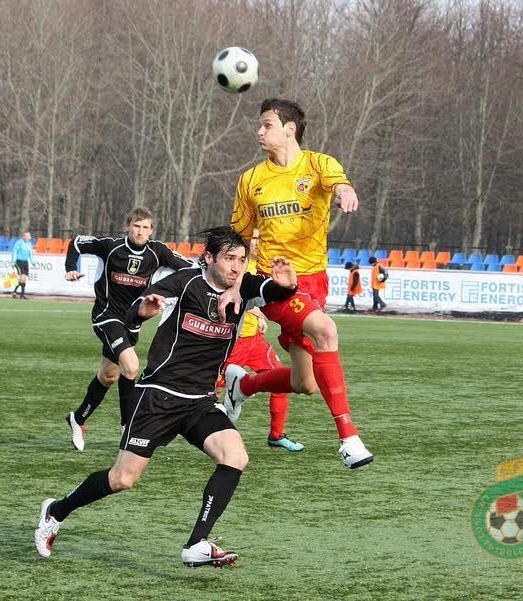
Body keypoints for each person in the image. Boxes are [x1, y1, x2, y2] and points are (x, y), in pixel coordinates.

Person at [35, 226, 299, 566]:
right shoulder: (185, 282)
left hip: (200, 401)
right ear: (209, 258)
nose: (236, 266)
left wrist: (288, 282)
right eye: (229, 258)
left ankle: (197, 544)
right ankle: (56, 511)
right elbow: (136, 310)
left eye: (241, 259)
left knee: (235, 456)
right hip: (159, 395)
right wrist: (144, 311)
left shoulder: (244, 288)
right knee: (122, 479)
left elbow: (277, 292)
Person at [223, 98, 373, 469]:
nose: (259, 131)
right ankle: (349, 438)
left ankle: (241, 386)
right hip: (275, 282)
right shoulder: (251, 180)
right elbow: (239, 239)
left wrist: (344, 192)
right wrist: (233, 284)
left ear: (290, 129)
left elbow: (337, 183)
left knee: (305, 382)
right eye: (259, 125)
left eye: (267, 124)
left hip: (315, 282)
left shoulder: (319, 164)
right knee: (326, 330)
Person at [63, 207, 192, 451]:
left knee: (109, 376)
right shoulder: (111, 246)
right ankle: (128, 427)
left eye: (145, 227)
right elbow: (77, 243)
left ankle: (77, 419)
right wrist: (70, 267)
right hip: (106, 316)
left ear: (151, 230)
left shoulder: (158, 251)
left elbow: (187, 268)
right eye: (136, 225)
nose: (140, 231)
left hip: (132, 322)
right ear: (127, 226)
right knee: (131, 367)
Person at [218, 232, 303, 452]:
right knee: (215, 389)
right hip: (234, 341)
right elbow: (235, 296)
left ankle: (277, 434)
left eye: (260, 239)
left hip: (255, 341)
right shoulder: (235, 266)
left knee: (281, 381)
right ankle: (216, 437)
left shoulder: (262, 265)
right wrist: (257, 313)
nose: (258, 243)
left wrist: (258, 317)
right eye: (254, 239)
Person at [10, 232, 35, 299]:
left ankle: (16, 292)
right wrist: (13, 261)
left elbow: (31, 254)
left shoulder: (30, 244)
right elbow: (14, 251)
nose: (27, 237)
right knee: (22, 279)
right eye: (26, 236)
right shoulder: (19, 242)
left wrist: (33, 262)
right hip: (19, 262)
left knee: (23, 280)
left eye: (28, 236)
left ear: (30, 238)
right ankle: (21, 294)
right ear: (23, 236)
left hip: (25, 262)